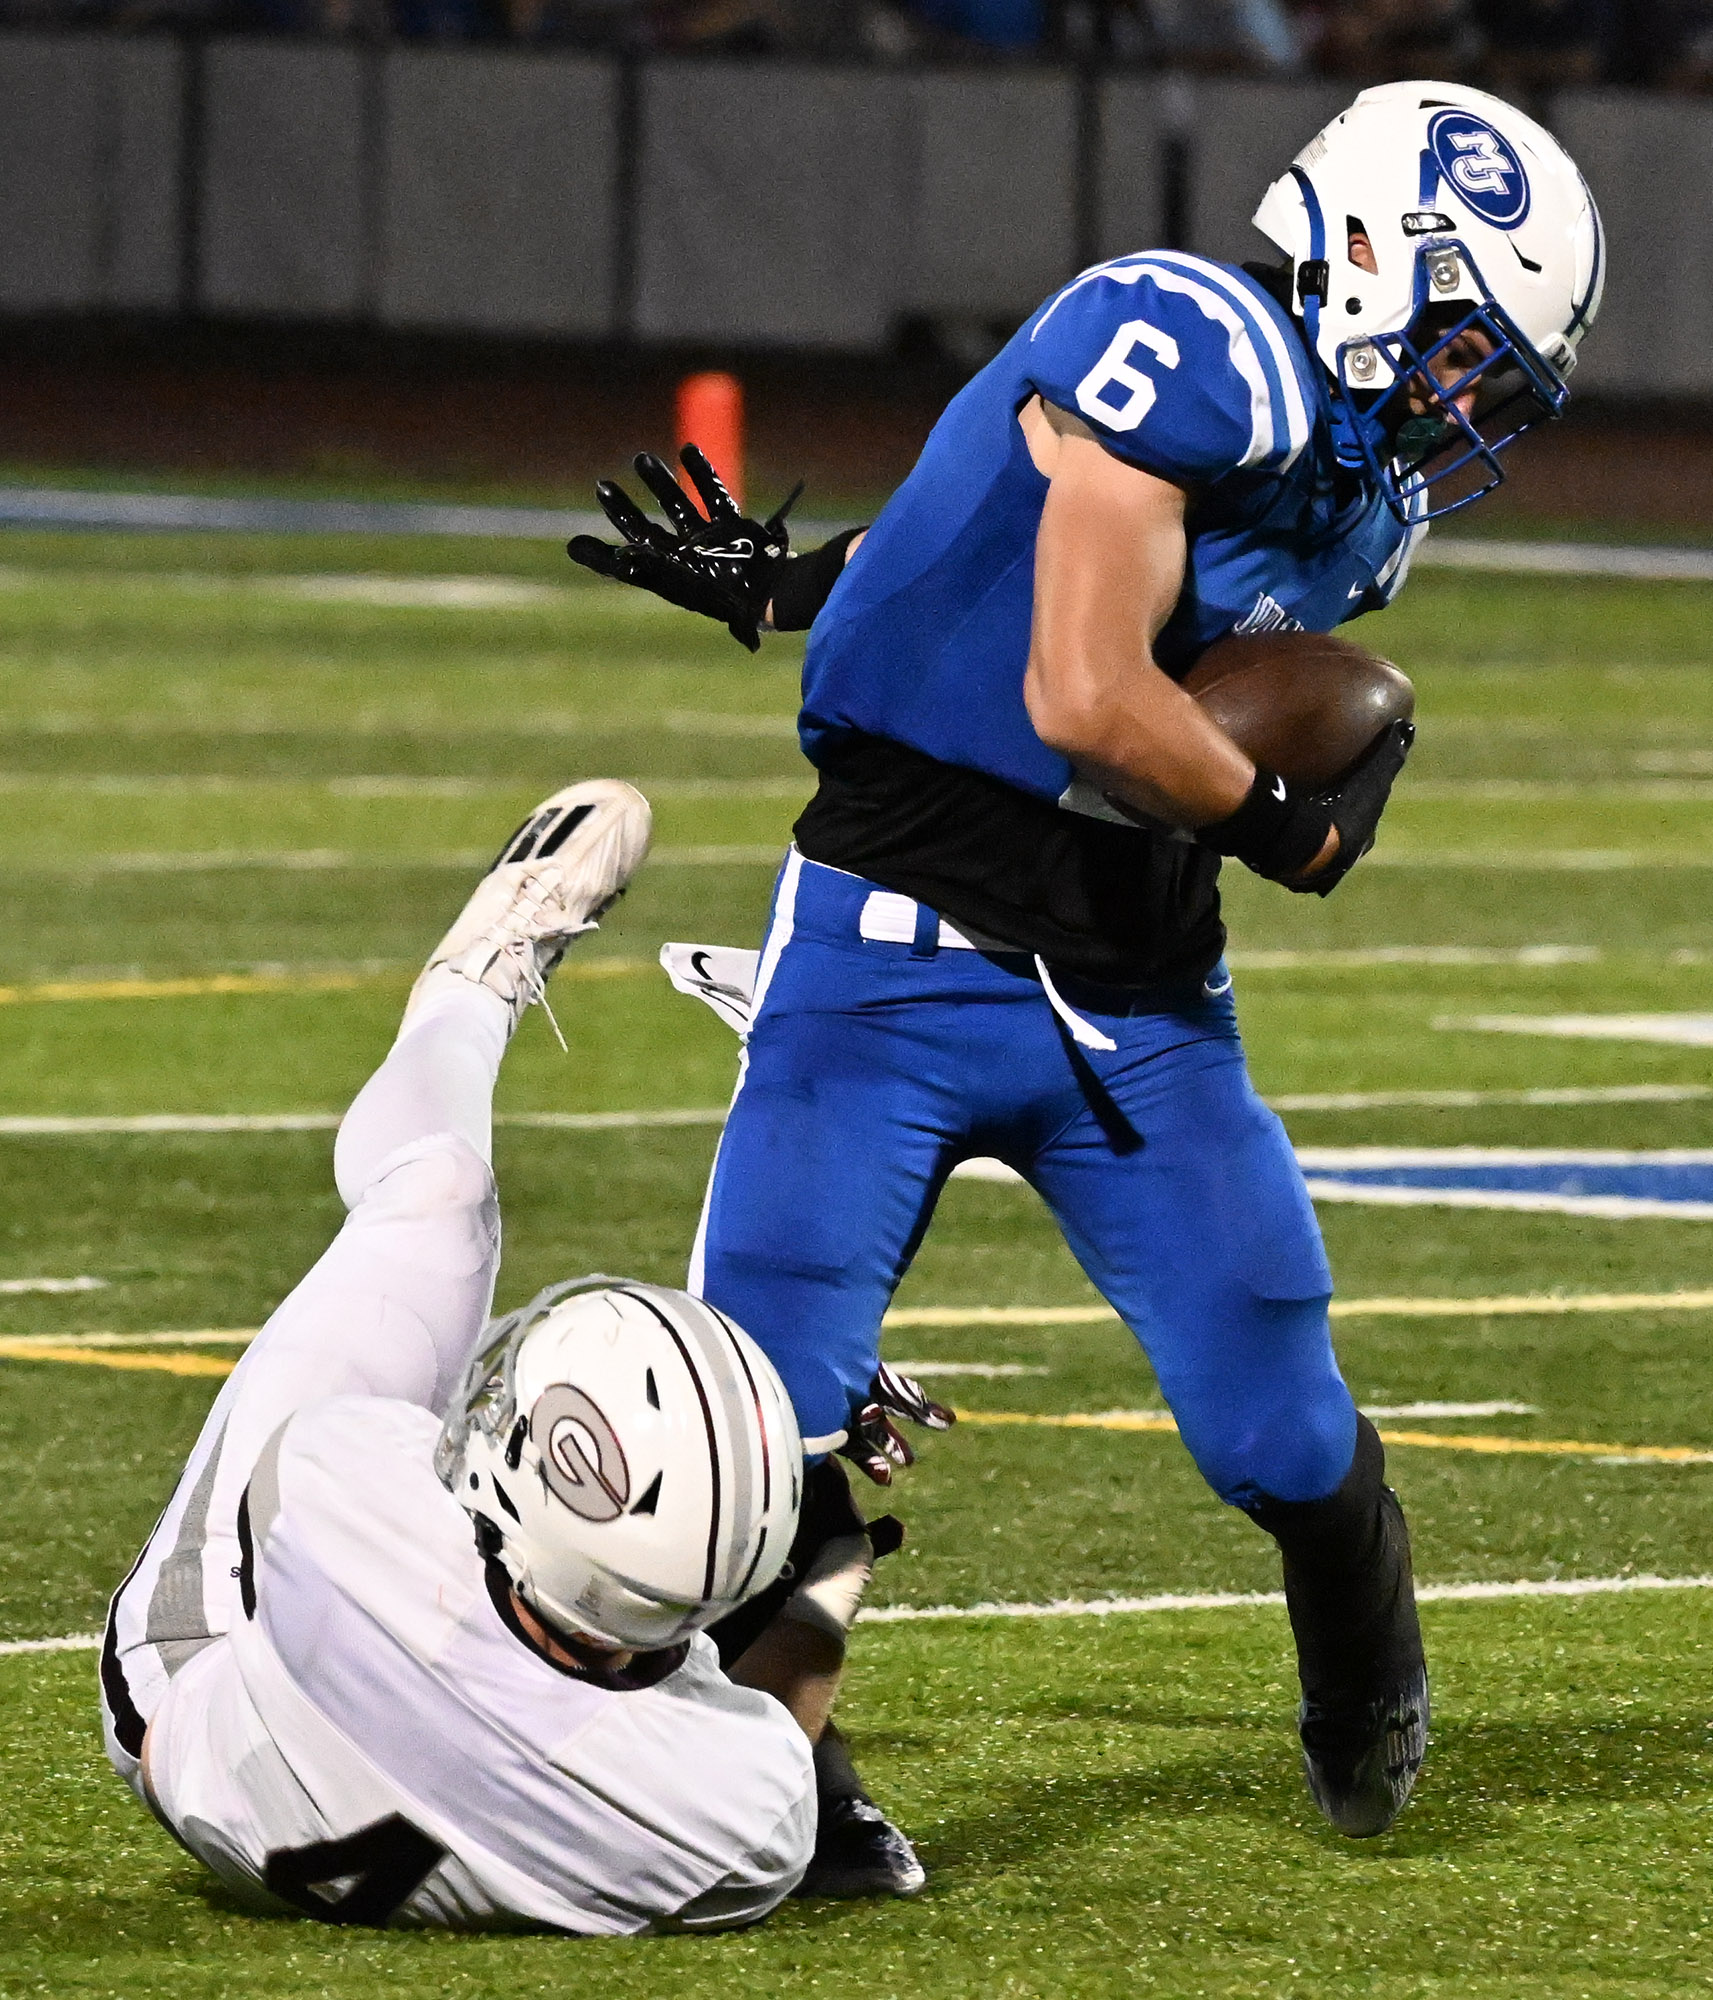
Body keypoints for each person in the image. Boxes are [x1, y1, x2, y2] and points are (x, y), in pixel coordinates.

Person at [570, 81, 1605, 1840]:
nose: (1461, 401)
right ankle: (777, 1786)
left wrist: (803, 583)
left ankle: (1366, 1676)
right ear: (1368, 258)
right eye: (1454, 349)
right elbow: (1080, 686)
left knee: (1277, 1424)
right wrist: (1291, 828)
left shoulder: (1360, 506)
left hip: (1131, 991)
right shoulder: (1184, 335)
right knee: (768, 1413)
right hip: (886, 946)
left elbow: (1087, 586)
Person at [100, 779, 914, 1931]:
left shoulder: (353, 1510)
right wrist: (792, 1479)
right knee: (639, 1432)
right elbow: (764, 1718)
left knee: (435, 1202)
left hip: (179, 1691)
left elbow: (452, 1406)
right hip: (362, 1806)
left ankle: (470, 988)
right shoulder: (746, 1817)